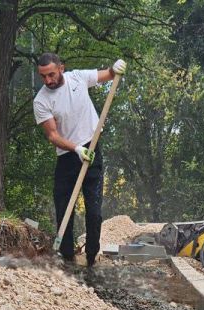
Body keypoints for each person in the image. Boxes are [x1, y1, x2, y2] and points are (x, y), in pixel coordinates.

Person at [33, 52, 126, 267]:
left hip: (92, 151)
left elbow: (109, 75)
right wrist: (75, 149)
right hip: (67, 158)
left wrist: (115, 69)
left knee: (93, 213)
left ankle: (92, 258)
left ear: (61, 68)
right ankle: (67, 259)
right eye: (43, 76)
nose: (48, 80)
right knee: (64, 209)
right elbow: (53, 136)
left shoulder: (79, 78)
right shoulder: (41, 100)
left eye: (51, 74)